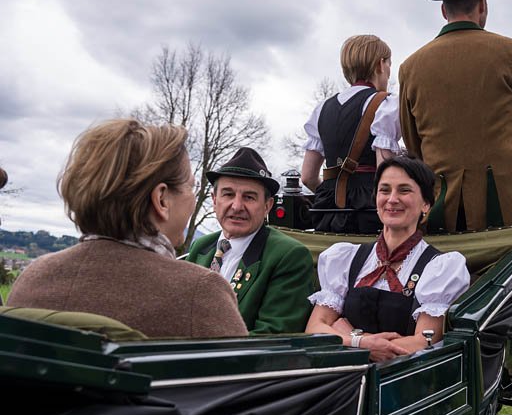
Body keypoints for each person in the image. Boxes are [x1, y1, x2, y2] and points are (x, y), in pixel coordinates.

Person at [7, 119, 248, 338]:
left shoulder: (32, 279)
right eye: (190, 188)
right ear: (162, 200)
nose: (194, 199)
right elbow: (249, 382)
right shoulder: (201, 293)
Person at [399, 0, 512, 232]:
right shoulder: (510, 52)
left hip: (442, 210)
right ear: (482, 4)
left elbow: (413, 146)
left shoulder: (409, 68)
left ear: (443, 10)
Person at [306, 156, 470, 362]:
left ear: (426, 204)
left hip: (401, 381)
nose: (392, 199)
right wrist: (361, 343)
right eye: (385, 190)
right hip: (344, 378)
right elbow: (314, 329)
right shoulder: (347, 259)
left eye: (404, 190)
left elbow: (423, 343)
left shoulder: (438, 267)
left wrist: (346, 335)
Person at [185, 147, 314, 334]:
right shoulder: (201, 247)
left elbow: (273, 337)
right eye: (228, 194)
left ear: (267, 206)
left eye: (249, 197)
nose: (237, 206)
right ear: (214, 200)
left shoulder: (289, 256)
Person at [300, 34, 401, 234]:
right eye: (389, 64)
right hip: (369, 210)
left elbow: (308, 177)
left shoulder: (322, 108)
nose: (389, 72)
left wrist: (332, 193)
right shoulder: (385, 105)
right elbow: (385, 174)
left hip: (327, 210)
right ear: (380, 65)